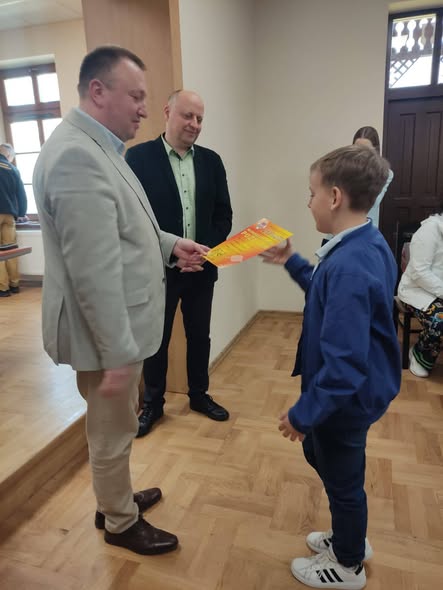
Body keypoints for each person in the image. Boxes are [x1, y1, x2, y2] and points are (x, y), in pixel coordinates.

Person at [32, 46, 209, 556]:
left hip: (115, 330)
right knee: (111, 430)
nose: (144, 109)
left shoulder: (101, 148)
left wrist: (170, 245)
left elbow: (126, 228)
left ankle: (115, 499)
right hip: (106, 334)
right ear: (98, 91)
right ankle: (119, 521)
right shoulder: (76, 157)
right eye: (135, 96)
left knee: (118, 425)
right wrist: (115, 354)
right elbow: (94, 270)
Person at [261, 145, 401, 589]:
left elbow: (343, 367)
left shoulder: (351, 266)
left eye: (312, 193)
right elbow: (325, 289)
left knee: (342, 480)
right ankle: (349, 534)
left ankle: (347, 563)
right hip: (351, 394)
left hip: (345, 399)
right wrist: (291, 261)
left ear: (335, 197)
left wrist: (303, 414)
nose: (309, 202)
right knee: (325, 460)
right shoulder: (363, 244)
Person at [126, 89, 233, 438]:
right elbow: (134, 218)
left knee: (199, 336)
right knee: (156, 339)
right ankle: (153, 404)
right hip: (158, 270)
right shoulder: (138, 159)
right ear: (167, 112)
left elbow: (223, 215)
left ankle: (199, 395)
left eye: (200, 118)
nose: (195, 124)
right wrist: (172, 252)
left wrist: (204, 252)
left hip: (202, 269)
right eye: (188, 116)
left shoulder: (212, 161)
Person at [397, 208, 443, 377]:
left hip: (438, 291)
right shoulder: (430, 230)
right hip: (417, 291)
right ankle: (419, 353)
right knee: (440, 320)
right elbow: (419, 273)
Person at [0, 142, 27, 297]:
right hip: (9, 216)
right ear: (9, 155)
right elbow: (21, 194)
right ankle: (14, 284)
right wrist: (21, 213)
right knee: (10, 250)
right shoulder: (13, 169)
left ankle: (3, 288)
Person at [352, 126, 393, 228]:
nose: (361, 154)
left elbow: (372, 202)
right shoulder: (342, 168)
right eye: (357, 148)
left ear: (376, 150)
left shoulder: (385, 173)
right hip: (339, 231)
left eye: (366, 150)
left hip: (366, 230)